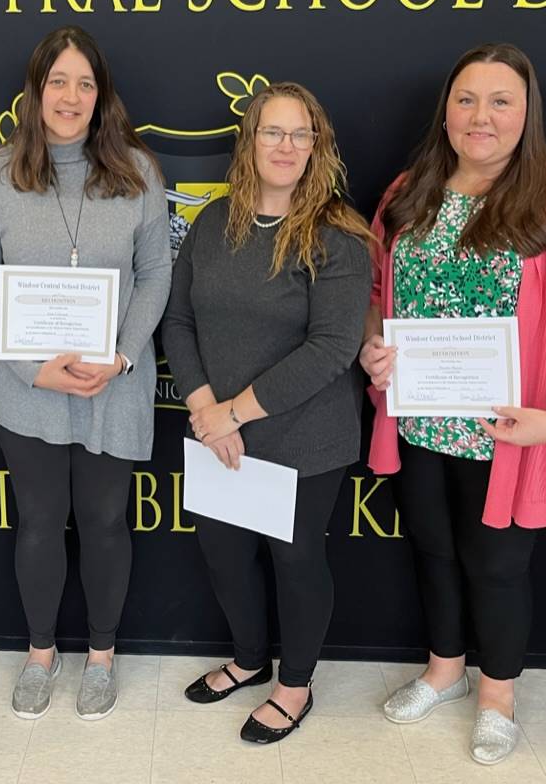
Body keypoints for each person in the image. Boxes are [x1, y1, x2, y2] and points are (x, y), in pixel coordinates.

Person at [360, 43, 546, 765]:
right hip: (419, 420)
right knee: (435, 550)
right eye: (467, 99)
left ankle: (498, 695)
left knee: (498, 565)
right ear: (446, 111)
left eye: (500, 100)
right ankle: (445, 671)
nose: (481, 116)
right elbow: (377, 297)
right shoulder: (409, 190)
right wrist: (371, 346)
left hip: (507, 431)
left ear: (526, 113)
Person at [0, 25, 170, 721]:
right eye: (58, 82)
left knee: (108, 522)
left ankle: (103, 656)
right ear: (35, 92)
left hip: (115, 382)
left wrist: (123, 355)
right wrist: (29, 368)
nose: (71, 96)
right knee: (41, 523)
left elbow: (154, 275)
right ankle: (42, 652)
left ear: (101, 94)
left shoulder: (138, 171)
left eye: (85, 82)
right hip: (29, 391)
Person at [160, 82, 372, 743]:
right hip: (216, 433)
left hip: (302, 435)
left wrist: (235, 414)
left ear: (317, 146)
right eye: (271, 132)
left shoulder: (338, 236)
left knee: (296, 561)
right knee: (223, 556)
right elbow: (178, 318)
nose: (285, 146)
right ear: (248, 141)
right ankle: (250, 659)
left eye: (299, 134)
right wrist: (202, 405)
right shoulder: (211, 225)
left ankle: (294, 684)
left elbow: (334, 348)